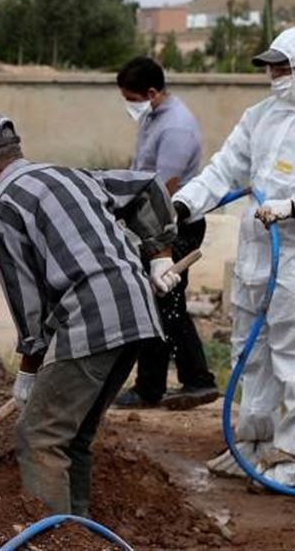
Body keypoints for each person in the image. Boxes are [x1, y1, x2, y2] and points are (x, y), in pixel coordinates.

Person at [0, 113, 178, 516]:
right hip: (138, 311)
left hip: (91, 318)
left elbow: (28, 303)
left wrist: (27, 370)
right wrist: (160, 254)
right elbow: (148, 185)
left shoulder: (3, 208)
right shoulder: (72, 175)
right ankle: (79, 535)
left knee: (40, 436)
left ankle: (51, 540)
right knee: (72, 437)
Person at [174, 26, 295, 489]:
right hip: (256, 259)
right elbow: (225, 168)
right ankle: (253, 442)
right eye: (271, 68)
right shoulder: (259, 117)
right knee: (250, 352)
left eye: (284, 67)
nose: (275, 76)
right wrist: (185, 203)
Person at [114, 56, 219, 410]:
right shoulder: (154, 118)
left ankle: (175, 385)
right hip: (155, 221)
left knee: (165, 302)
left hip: (175, 223)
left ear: (153, 92)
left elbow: (164, 189)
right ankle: (169, 384)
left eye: (131, 99)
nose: (128, 106)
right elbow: (140, 171)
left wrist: (136, 224)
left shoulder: (176, 127)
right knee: (161, 304)